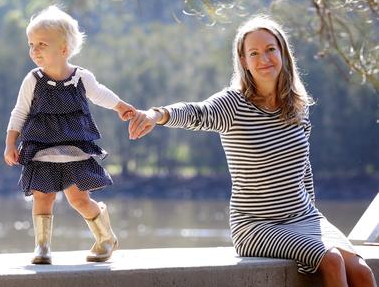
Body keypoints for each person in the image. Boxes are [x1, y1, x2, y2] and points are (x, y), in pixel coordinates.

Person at [127, 15, 376, 286]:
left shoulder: (296, 106)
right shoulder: (233, 104)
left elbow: (304, 169)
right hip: (256, 225)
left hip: (305, 217)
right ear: (243, 61)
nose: (264, 59)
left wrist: (314, 224)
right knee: (331, 261)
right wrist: (157, 114)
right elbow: (197, 113)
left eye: (270, 49)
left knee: (362, 271)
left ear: (282, 53)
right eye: (254, 53)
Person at [4, 5, 134, 264]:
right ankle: (42, 247)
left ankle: (105, 237)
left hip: (74, 149)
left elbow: (100, 94)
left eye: (42, 44)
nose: (34, 50)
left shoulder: (80, 78)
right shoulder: (33, 79)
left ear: (63, 49)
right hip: (42, 149)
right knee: (43, 196)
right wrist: (10, 143)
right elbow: (19, 112)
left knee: (79, 198)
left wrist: (120, 106)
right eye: (31, 44)